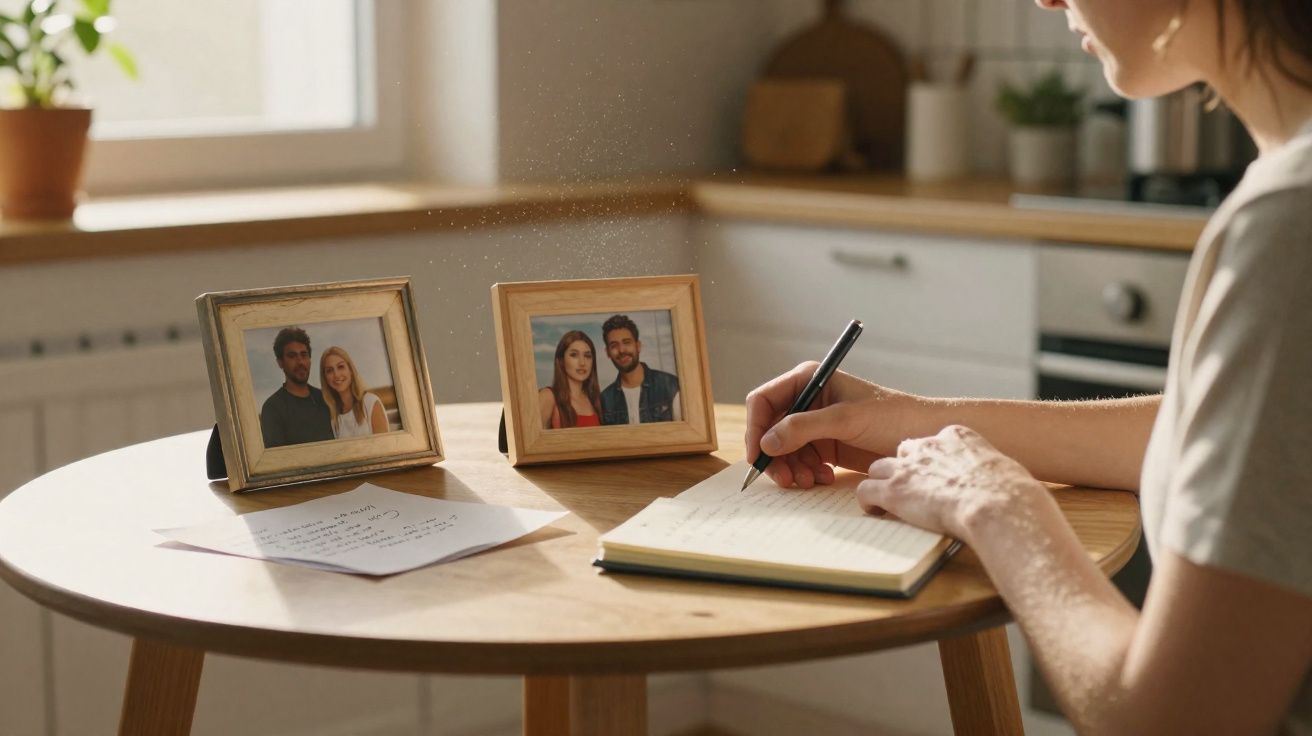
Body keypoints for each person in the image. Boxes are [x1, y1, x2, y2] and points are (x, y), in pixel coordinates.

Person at [746, 1, 1312, 732]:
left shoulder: (1291, 228)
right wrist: (906, 422)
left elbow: (1171, 720)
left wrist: (998, 508)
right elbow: (1245, 453)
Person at [598, 314, 682, 425]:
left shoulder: (670, 386)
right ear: (608, 353)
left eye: (627, 342)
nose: (622, 350)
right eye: (614, 345)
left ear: (638, 346)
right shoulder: (605, 400)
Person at [260, 327, 335, 447]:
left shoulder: (325, 398)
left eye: (304, 355)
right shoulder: (272, 408)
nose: (300, 362)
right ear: (280, 362)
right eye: (292, 356)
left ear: (309, 359)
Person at [537, 330, 603, 429]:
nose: (582, 363)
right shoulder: (548, 396)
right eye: (574, 355)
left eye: (587, 356)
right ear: (561, 361)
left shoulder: (594, 400)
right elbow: (529, 441)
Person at [319, 346, 388, 439]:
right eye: (329, 370)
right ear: (325, 378)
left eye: (340, 367)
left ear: (350, 370)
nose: (336, 374)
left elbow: (386, 446)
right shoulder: (333, 416)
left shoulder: (370, 402)